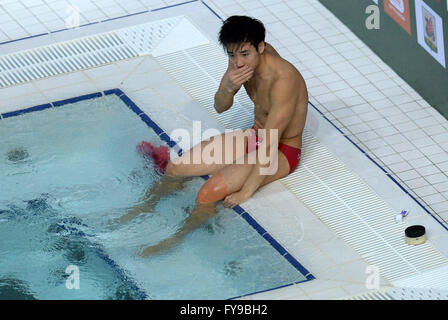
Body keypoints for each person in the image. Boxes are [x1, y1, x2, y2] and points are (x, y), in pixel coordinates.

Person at [120, 15, 309, 257]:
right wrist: (229, 87)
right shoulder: (240, 59)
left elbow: (271, 143)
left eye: (244, 54)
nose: (238, 63)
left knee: (208, 193)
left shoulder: (284, 80)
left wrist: (247, 191)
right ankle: (142, 208)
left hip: (283, 149)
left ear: (261, 47)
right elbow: (220, 105)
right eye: (232, 56)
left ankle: (176, 239)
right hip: (256, 135)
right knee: (176, 168)